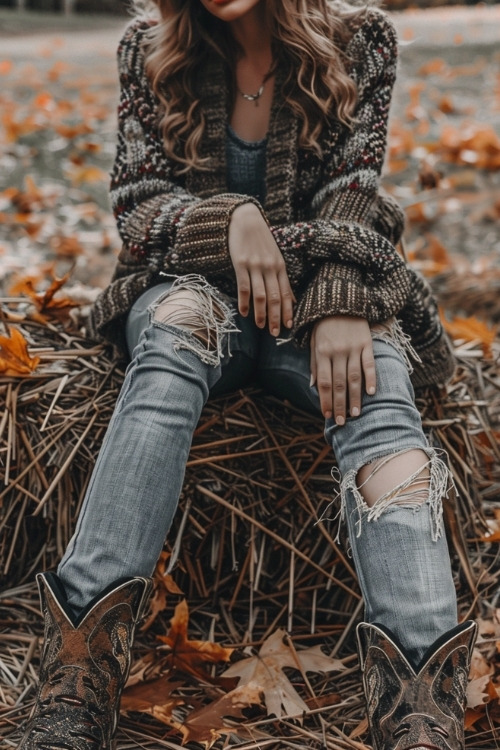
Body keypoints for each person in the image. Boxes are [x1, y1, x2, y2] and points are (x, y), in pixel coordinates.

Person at [18, 1, 477, 749]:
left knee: (379, 397)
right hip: (191, 293)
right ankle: (76, 677)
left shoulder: (361, 41)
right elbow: (139, 211)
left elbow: (354, 196)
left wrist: (338, 302)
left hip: (317, 298)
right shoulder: (148, 49)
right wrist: (231, 218)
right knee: (173, 343)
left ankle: (421, 710)